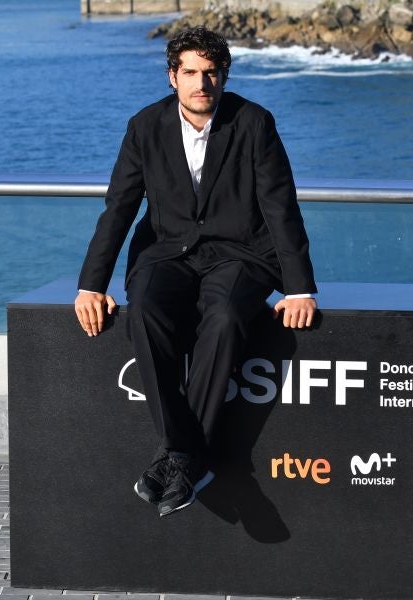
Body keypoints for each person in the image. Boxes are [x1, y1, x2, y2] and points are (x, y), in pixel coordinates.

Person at [74, 27, 317, 517]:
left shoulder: (254, 123)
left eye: (210, 72)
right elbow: (118, 209)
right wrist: (91, 285)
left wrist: (299, 289)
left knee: (225, 316)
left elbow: (280, 207)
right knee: (143, 310)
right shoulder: (144, 127)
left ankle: (177, 456)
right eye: (190, 73)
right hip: (167, 252)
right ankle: (187, 454)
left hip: (242, 253)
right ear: (172, 78)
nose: (200, 82)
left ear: (224, 76)